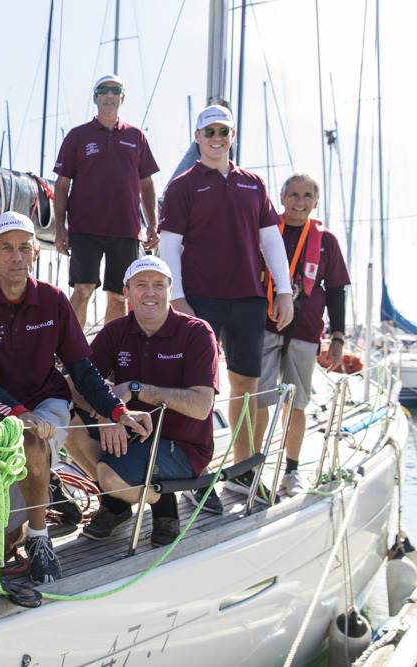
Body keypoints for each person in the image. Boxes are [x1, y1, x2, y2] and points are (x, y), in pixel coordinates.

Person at [0, 211, 150, 584]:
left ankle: (41, 540)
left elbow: (82, 370)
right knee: (0, 547)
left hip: (47, 402)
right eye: (6, 249)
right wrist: (15, 412)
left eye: (25, 248)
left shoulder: (54, 300)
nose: (16, 257)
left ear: (36, 254)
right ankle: (39, 501)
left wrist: (118, 411)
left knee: (33, 441)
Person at [159, 104, 294, 503]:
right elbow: (170, 245)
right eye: (209, 131)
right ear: (197, 137)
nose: (217, 137)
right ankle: (191, 475)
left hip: (249, 298)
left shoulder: (253, 183)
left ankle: (243, 470)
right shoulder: (183, 186)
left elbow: (271, 240)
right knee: (198, 389)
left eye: (224, 131)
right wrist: (178, 298)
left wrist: (283, 290)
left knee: (247, 387)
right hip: (200, 298)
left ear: (232, 136)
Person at [63, 256, 219, 546]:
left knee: (110, 477)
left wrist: (136, 390)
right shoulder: (116, 331)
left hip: (182, 446)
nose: (150, 292)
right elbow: (72, 385)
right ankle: (119, 504)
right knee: (65, 418)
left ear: (170, 290)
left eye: (158, 285)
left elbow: (201, 407)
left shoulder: (197, 332)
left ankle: (162, 505)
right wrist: (112, 412)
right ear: (127, 292)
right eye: (141, 285)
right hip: (133, 433)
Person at [252, 173, 350, 497]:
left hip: (305, 332)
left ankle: (291, 473)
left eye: (307, 195)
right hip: (264, 328)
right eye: (293, 194)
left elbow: (336, 290)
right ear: (281, 198)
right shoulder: (265, 233)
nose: (299, 201)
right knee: (258, 401)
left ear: (315, 202)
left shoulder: (326, 241)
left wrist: (338, 337)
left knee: (297, 403)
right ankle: (251, 469)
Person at [53, 74, 161, 328]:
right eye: (103, 90)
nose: (109, 95)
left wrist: (153, 224)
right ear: (95, 98)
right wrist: (60, 227)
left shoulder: (136, 137)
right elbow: (61, 184)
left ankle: (108, 356)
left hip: (126, 230)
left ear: (122, 97)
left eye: (115, 90)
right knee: (83, 289)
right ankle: (73, 353)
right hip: (84, 229)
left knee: (118, 294)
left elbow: (147, 183)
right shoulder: (77, 136)